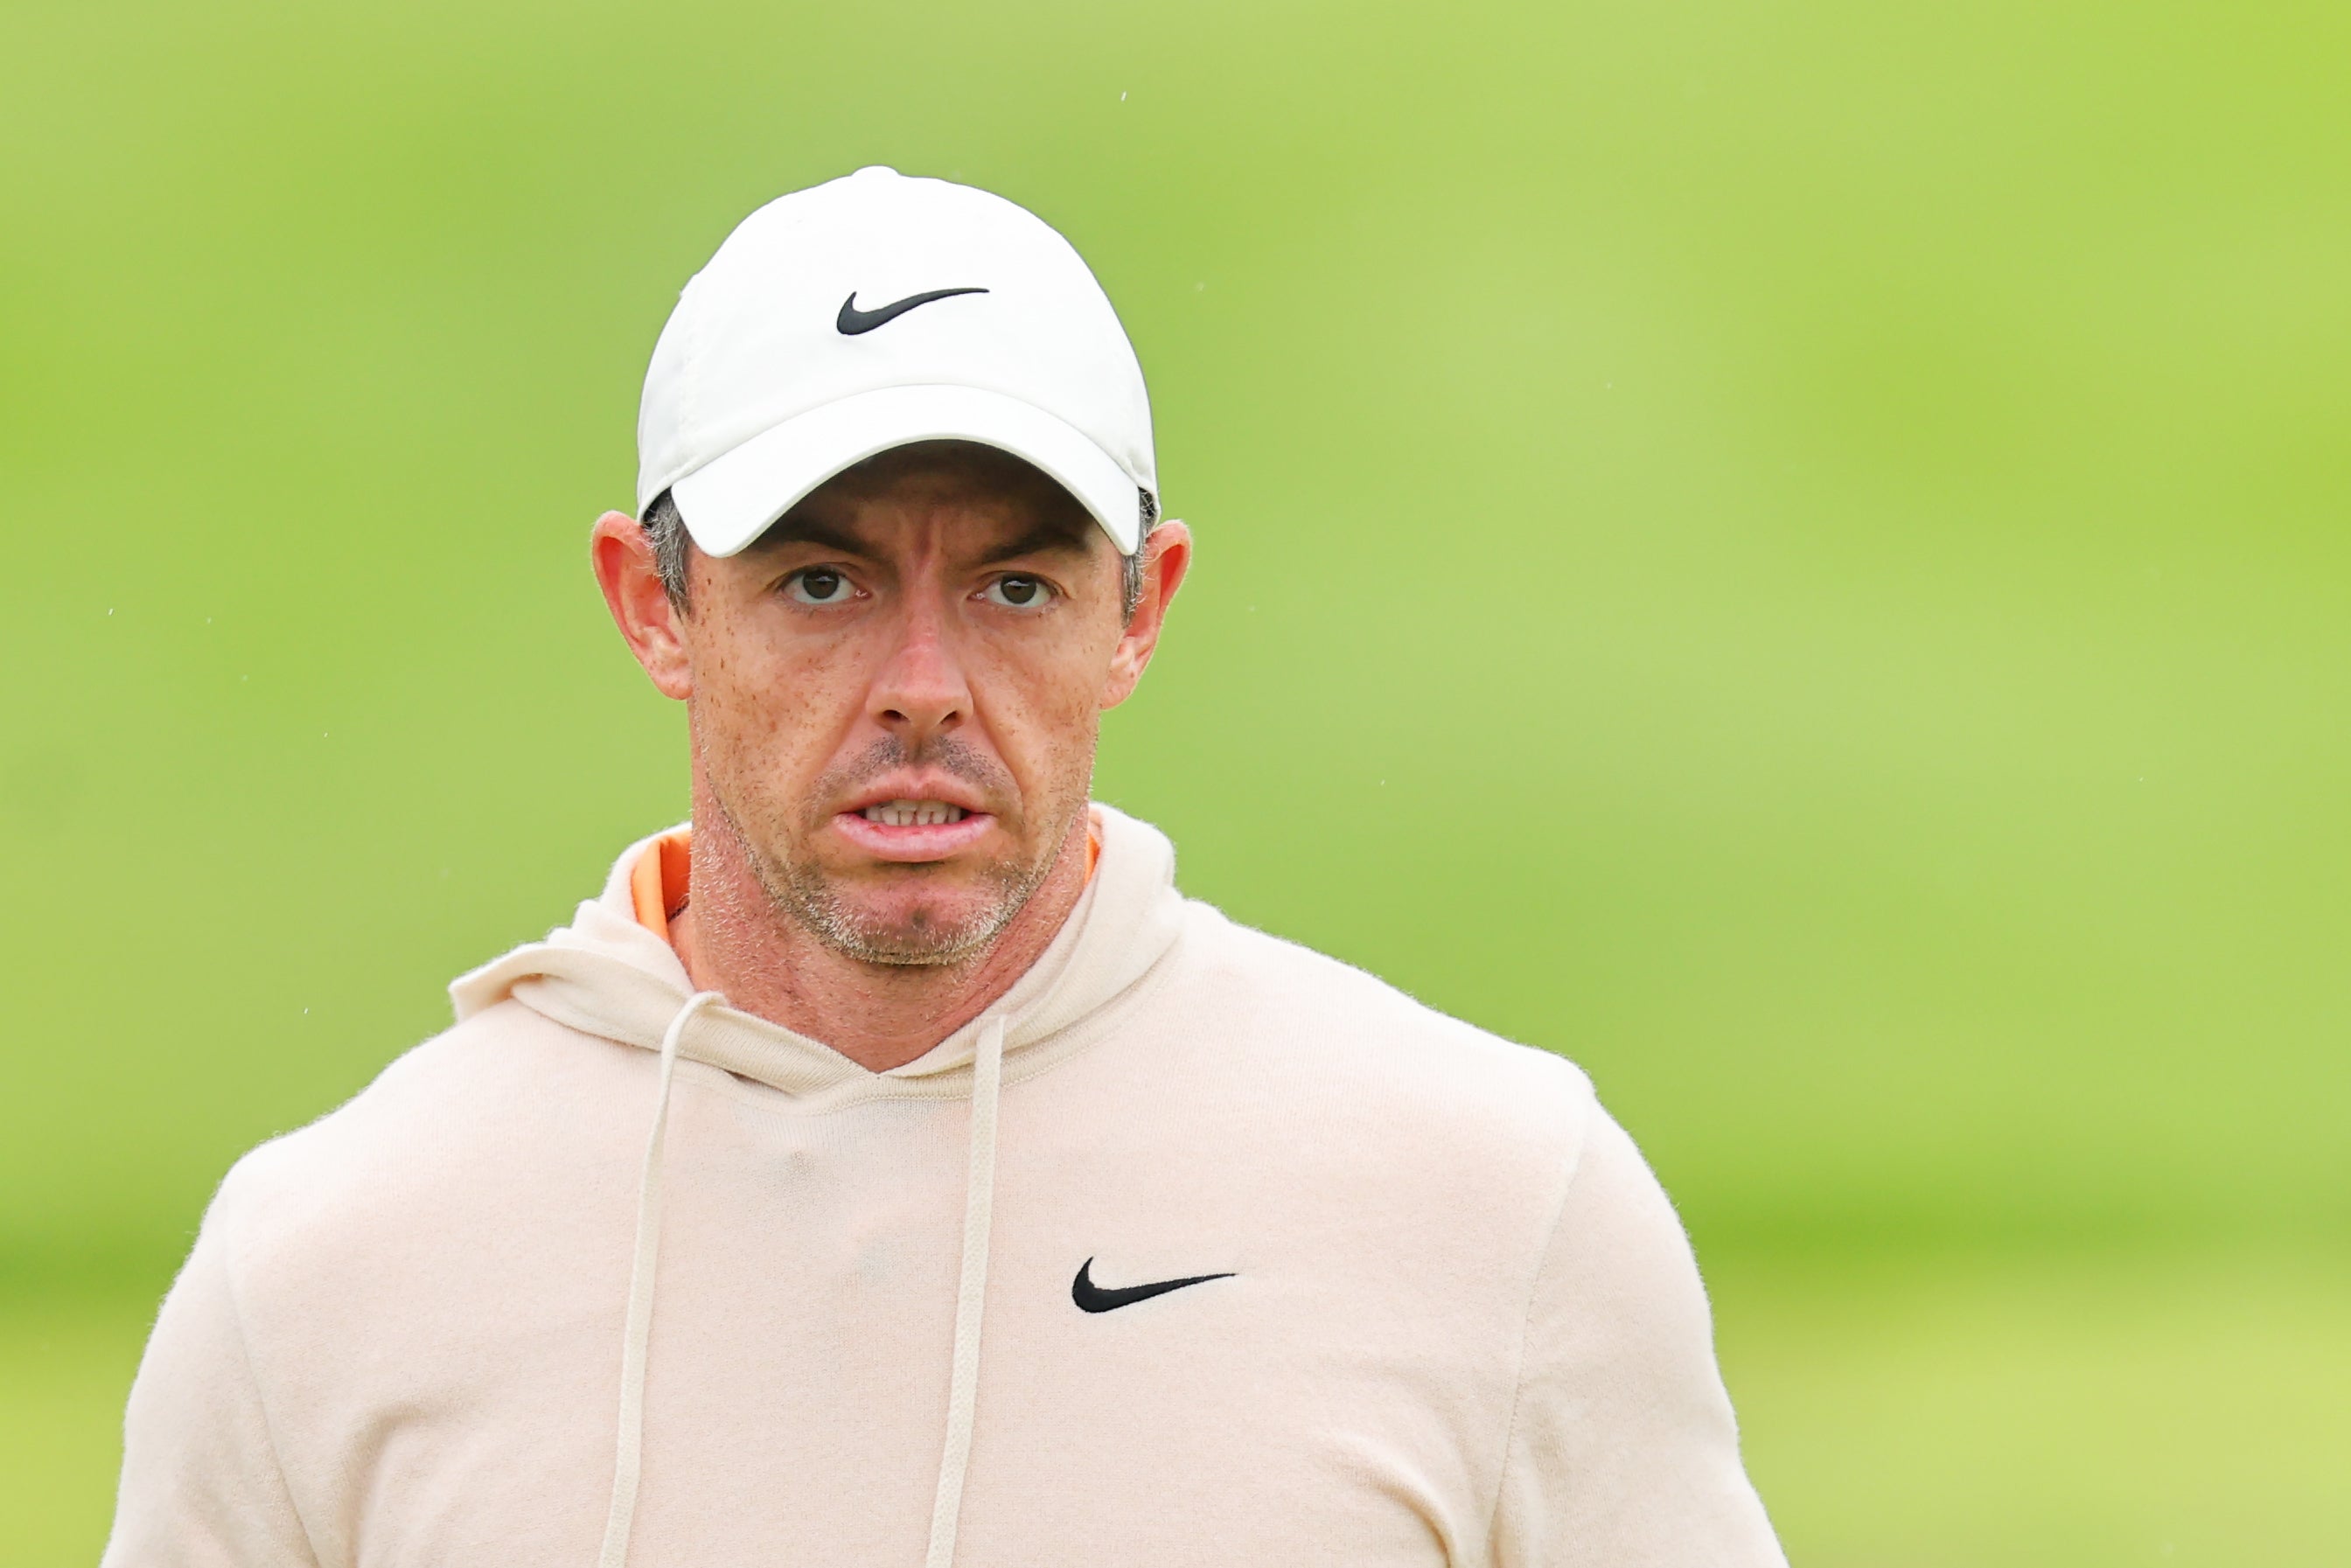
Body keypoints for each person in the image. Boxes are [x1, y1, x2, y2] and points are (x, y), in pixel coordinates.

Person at [103, 166, 1785, 1567]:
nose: (922, 679)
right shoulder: (330, 1262)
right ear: (653, 606)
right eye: (824, 584)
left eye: (1016, 585)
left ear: (1141, 611)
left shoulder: (1497, 1205)